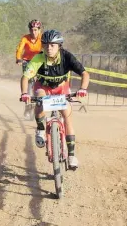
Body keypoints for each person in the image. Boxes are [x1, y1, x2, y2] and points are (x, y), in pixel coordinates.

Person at [20, 29, 89, 169]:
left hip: (61, 88)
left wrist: (82, 89)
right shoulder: (39, 58)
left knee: (67, 116)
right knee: (39, 99)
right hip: (43, 87)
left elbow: (84, 74)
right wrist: (24, 93)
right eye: (45, 45)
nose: (48, 48)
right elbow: (25, 77)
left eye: (52, 45)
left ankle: (71, 155)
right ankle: (40, 129)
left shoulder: (67, 57)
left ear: (59, 46)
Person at [16, 19, 43, 118]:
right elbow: (19, 49)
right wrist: (18, 59)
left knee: (41, 80)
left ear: (39, 30)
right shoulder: (25, 38)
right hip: (27, 61)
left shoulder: (42, 38)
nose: (33, 32)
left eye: (36, 30)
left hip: (39, 61)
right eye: (31, 30)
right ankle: (27, 104)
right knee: (27, 80)